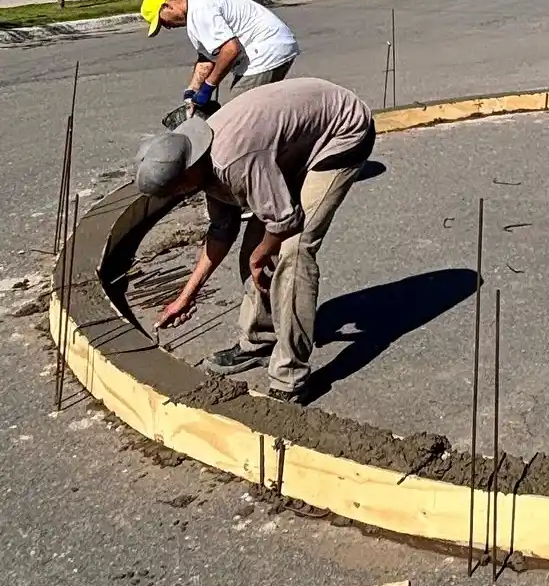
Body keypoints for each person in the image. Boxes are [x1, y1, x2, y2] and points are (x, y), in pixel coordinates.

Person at [132, 77, 375, 404]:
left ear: (187, 174)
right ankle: (259, 342)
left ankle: (290, 378)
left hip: (342, 133)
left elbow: (284, 222)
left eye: (174, 190)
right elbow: (221, 230)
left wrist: (260, 256)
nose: (174, 197)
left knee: (294, 251)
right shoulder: (200, 157)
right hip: (291, 138)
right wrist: (186, 295)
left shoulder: (232, 162)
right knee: (256, 247)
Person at [141, 0, 299, 114]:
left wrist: (208, 87)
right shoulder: (196, 9)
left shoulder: (200, 11)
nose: (167, 27)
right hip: (274, 46)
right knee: (255, 113)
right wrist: (192, 91)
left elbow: (231, 50)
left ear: (167, 6)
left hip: (267, 50)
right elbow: (207, 59)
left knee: (238, 115)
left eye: (162, 21)